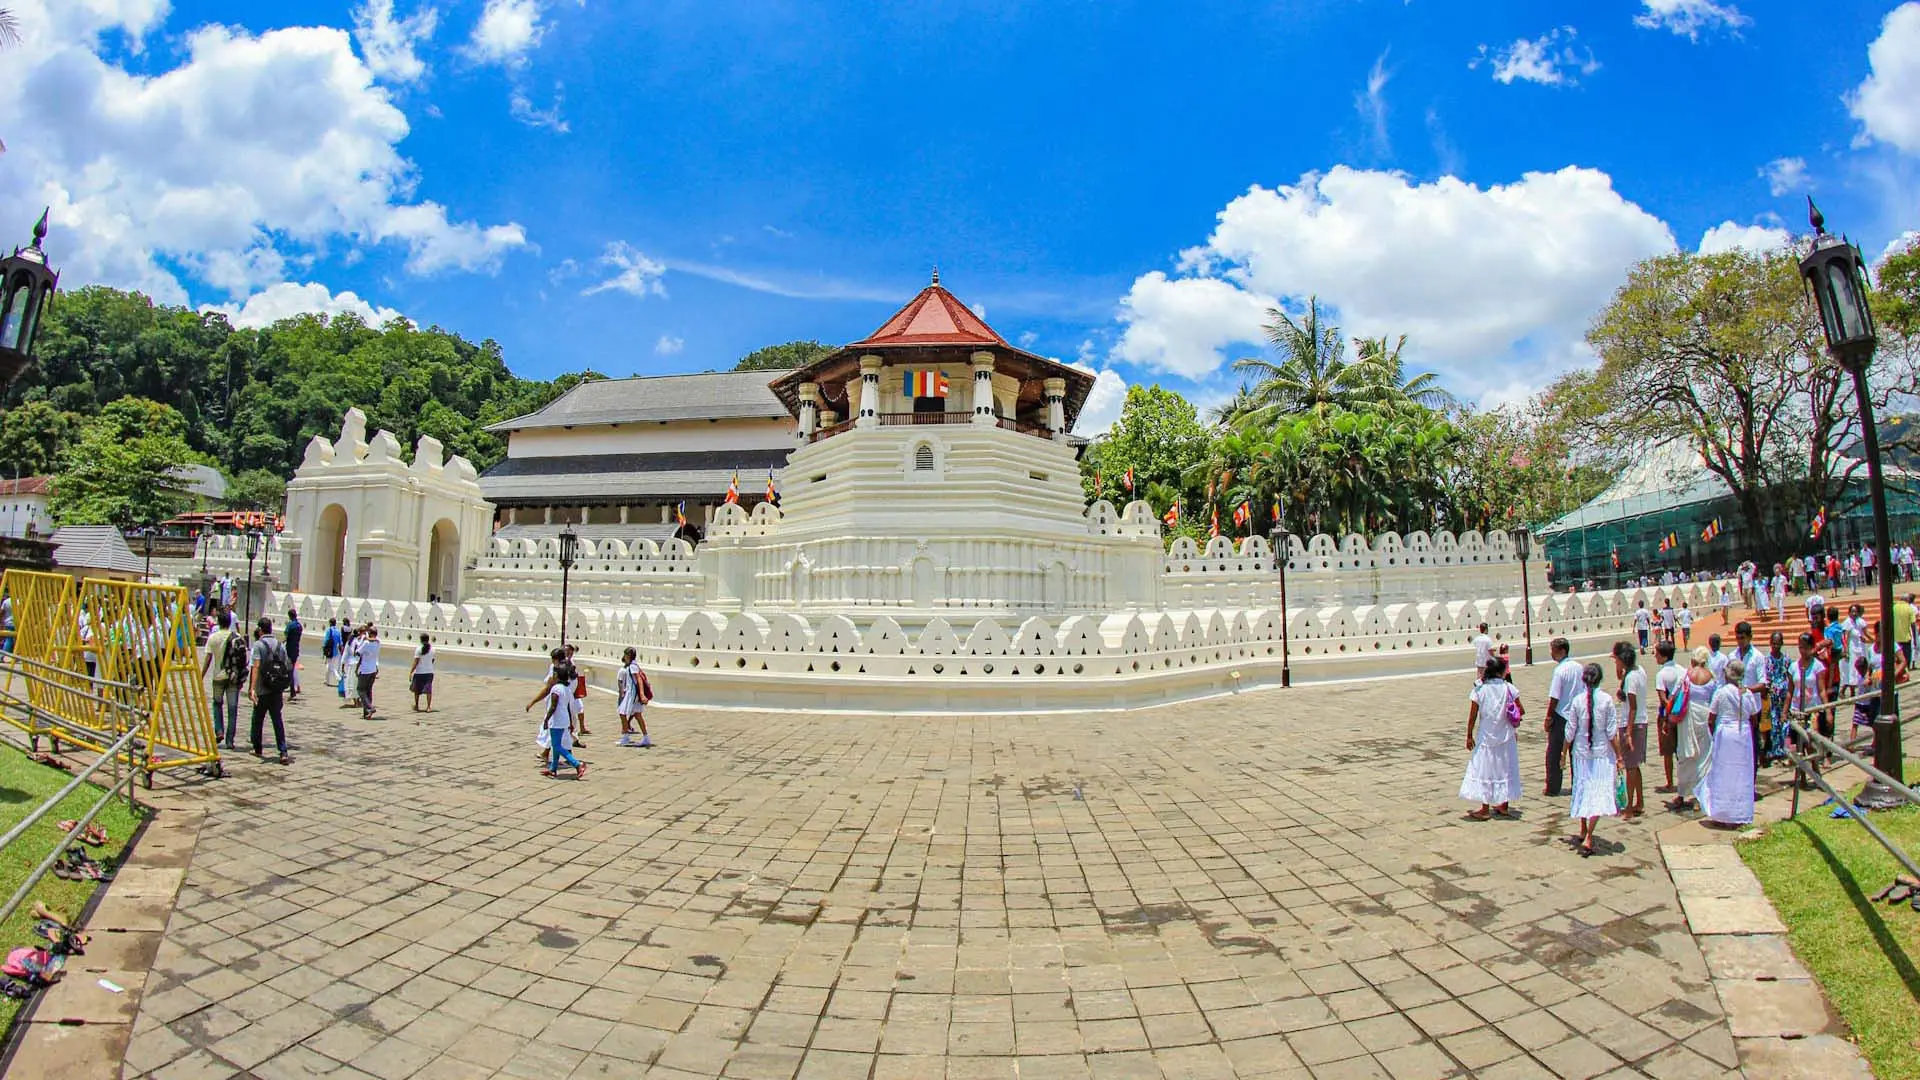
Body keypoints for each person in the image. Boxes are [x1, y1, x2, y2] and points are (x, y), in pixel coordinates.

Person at [1564, 663, 1621, 856]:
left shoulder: (1577, 701)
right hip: (1601, 753)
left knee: (1582, 789)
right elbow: (1612, 732)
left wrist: (1563, 752)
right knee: (1598, 791)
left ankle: (1582, 828)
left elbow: (1570, 730)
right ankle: (1589, 834)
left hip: (1580, 752)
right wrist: (1619, 755)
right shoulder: (1606, 700)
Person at [1460, 656, 1520, 820]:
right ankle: (1504, 804)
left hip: (1486, 735)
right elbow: (1520, 709)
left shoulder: (1480, 690)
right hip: (1506, 735)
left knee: (1485, 769)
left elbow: (1472, 715)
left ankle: (1485, 808)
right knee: (1505, 767)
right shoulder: (1509, 688)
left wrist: (1469, 735)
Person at [1699, 658, 1756, 826]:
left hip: (1726, 734)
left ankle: (1722, 813)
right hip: (1743, 733)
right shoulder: (1747, 693)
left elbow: (1711, 717)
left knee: (1723, 772)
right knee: (1741, 772)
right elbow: (1754, 716)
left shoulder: (1722, 692)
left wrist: (1714, 734)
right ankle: (1739, 812)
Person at [1667, 647, 1715, 812]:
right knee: (1703, 756)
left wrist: (1668, 718)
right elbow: (1714, 698)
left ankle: (1681, 794)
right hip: (1705, 714)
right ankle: (1697, 797)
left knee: (1685, 754)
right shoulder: (1711, 676)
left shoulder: (1686, 675)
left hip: (1687, 716)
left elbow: (1673, 696)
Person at [528, 657, 586, 780]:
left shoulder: (556, 689)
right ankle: (553, 769)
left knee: (557, 746)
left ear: (557, 676)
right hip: (564, 719)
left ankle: (577, 764)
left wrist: (546, 719)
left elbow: (553, 706)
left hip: (556, 720)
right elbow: (569, 707)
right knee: (556, 745)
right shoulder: (567, 689)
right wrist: (571, 723)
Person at [248, 616, 293, 764]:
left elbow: (256, 666)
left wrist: (252, 688)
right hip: (276, 689)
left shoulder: (258, 645)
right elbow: (287, 665)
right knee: (277, 720)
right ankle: (283, 751)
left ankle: (257, 747)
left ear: (260, 630)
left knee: (257, 719)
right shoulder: (280, 645)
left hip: (263, 688)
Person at [200, 611, 245, 750]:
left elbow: (208, 659)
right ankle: (230, 740)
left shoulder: (213, 637)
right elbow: (243, 658)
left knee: (217, 704)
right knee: (232, 709)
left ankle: (219, 730)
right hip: (233, 677)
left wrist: (201, 675)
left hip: (218, 676)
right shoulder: (237, 637)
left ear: (218, 622)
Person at [1613, 642, 1648, 818]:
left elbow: (1633, 706)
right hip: (1637, 722)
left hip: (1632, 724)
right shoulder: (1636, 671)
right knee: (1635, 765)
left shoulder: (1632, 677)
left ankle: (1628, 807)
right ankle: (1639, 802)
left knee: (1630, 767)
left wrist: (1628, 731)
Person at [1544, 638, 1581, 797]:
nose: (1551, 653)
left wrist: (1549, 716)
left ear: (1562, 651)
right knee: (1576, 752)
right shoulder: (1579, 667)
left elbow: (1555, 697)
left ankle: (1553, 787)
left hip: (1561, 715)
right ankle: (1579, 784)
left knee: (1554, 753)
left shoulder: (1560, 671)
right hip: (1578, 714)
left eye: (1553, 650)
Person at [1653, 640, 1682, 794]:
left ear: (1664, 656)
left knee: (1667, 752)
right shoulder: (1682, 670)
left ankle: (1670, 782)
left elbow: (1663, 699)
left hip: (1667, 715)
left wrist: (1666, 716)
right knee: (1681, 750)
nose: (1655, 656)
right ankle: (1683, 780)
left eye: (1657, 653)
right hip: (1682, 714)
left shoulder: (1661, 674)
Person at [1762, 630, 1793, 766]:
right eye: (1773, 643)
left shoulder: (1786, 660)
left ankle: (1784, 751)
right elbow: (1766, 678)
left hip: (1784, 697)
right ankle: (1774, 751)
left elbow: (1789, 677)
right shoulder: (1767, 660)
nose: (1775, 646)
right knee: (1774, 724)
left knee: (1785, 724)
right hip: (1772, 698)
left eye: (1778, 643)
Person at [616, 647, 653, 747]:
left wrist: (642, 694)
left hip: (632, 694)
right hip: (633, 694)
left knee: (622, 712)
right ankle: (646, 737)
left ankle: (626, 736)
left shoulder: (632, 666)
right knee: (637, 715)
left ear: (628, 655)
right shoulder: (634, 665)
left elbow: (639, 680)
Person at [355, 626, 381, 720]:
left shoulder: (366, 643)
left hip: (365, 669)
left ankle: (370, 707)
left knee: (360, 690)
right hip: (373, 669)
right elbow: (375, 639)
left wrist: (361, 640)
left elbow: (357, 653)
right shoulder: (378, 642)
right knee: (368, 691)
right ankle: (367, 713)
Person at [409, 633, 435, 712]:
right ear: (428, 639)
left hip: (419, 672)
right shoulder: (432, 649)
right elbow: (432, 660)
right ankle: (428, 707)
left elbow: (416, 661)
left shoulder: (418, 649)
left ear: (420, 640)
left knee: (417, 690)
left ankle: (417, 705)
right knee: (428, 690)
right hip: (429, 672)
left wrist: (411, 672)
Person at [283, 608, 304, 700]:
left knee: (289, 670)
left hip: (289, 649)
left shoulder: (290, 625)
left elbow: (286, 633)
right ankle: (293, 688)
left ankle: (292, 690)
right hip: (296, 649)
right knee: (292, 669)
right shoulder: (299, 625)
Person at [322, 617, 343, 692]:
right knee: (331, 665)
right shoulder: (338, 631)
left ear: (330, 623)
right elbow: (341, 643)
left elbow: (326, 640)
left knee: (330, 666)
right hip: (336, 651)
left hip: (329, 651)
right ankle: (327, 680)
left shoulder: (329, 630)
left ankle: (338, 678)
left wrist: (323, 649)